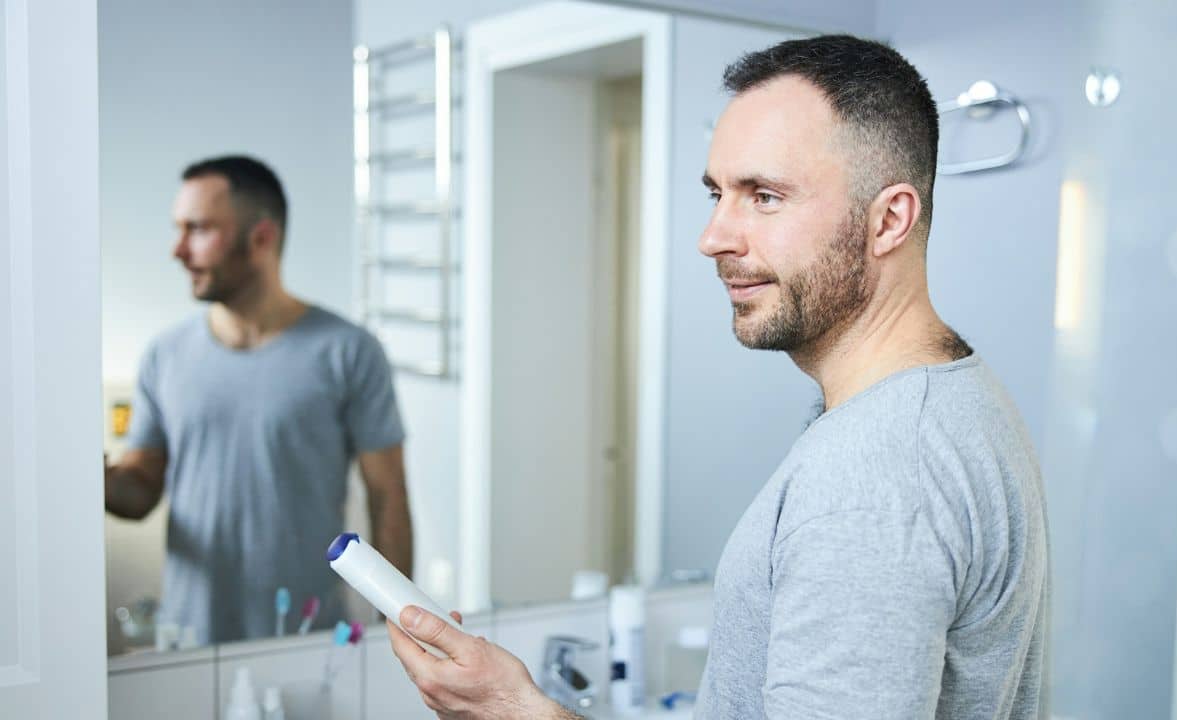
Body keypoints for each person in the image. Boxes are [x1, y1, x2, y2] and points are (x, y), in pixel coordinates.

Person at [384, 35, 1048, 719]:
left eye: (763, 196)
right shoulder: (958, 396)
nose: (714, 236)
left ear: (888, 220)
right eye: (717, 192)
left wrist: (522, 714)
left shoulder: (873, 476)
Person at [105, 155, 413, 645]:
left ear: (262, 237)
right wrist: (94, 477)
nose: (177, 250)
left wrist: (398, 629)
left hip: (309, 635)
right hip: (187, 639)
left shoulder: (348, 351)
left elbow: (388, 496)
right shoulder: (165, 355)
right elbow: (139, 489)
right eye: (177, 229)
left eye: (198, 229)